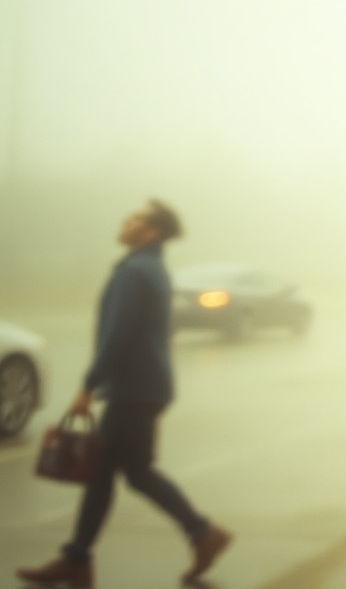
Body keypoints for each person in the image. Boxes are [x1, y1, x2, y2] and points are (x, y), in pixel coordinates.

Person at [19, 200, 231, 588]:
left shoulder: (135, 271)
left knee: (127, 473)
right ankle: (78, 559)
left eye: (135, 218)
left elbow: (118, 336)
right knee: (117, 474)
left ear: (151, 232)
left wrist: (89, 385)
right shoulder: (151, 269)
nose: (125, 221)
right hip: (147, 387)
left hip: (134, 390)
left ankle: (201, 533)